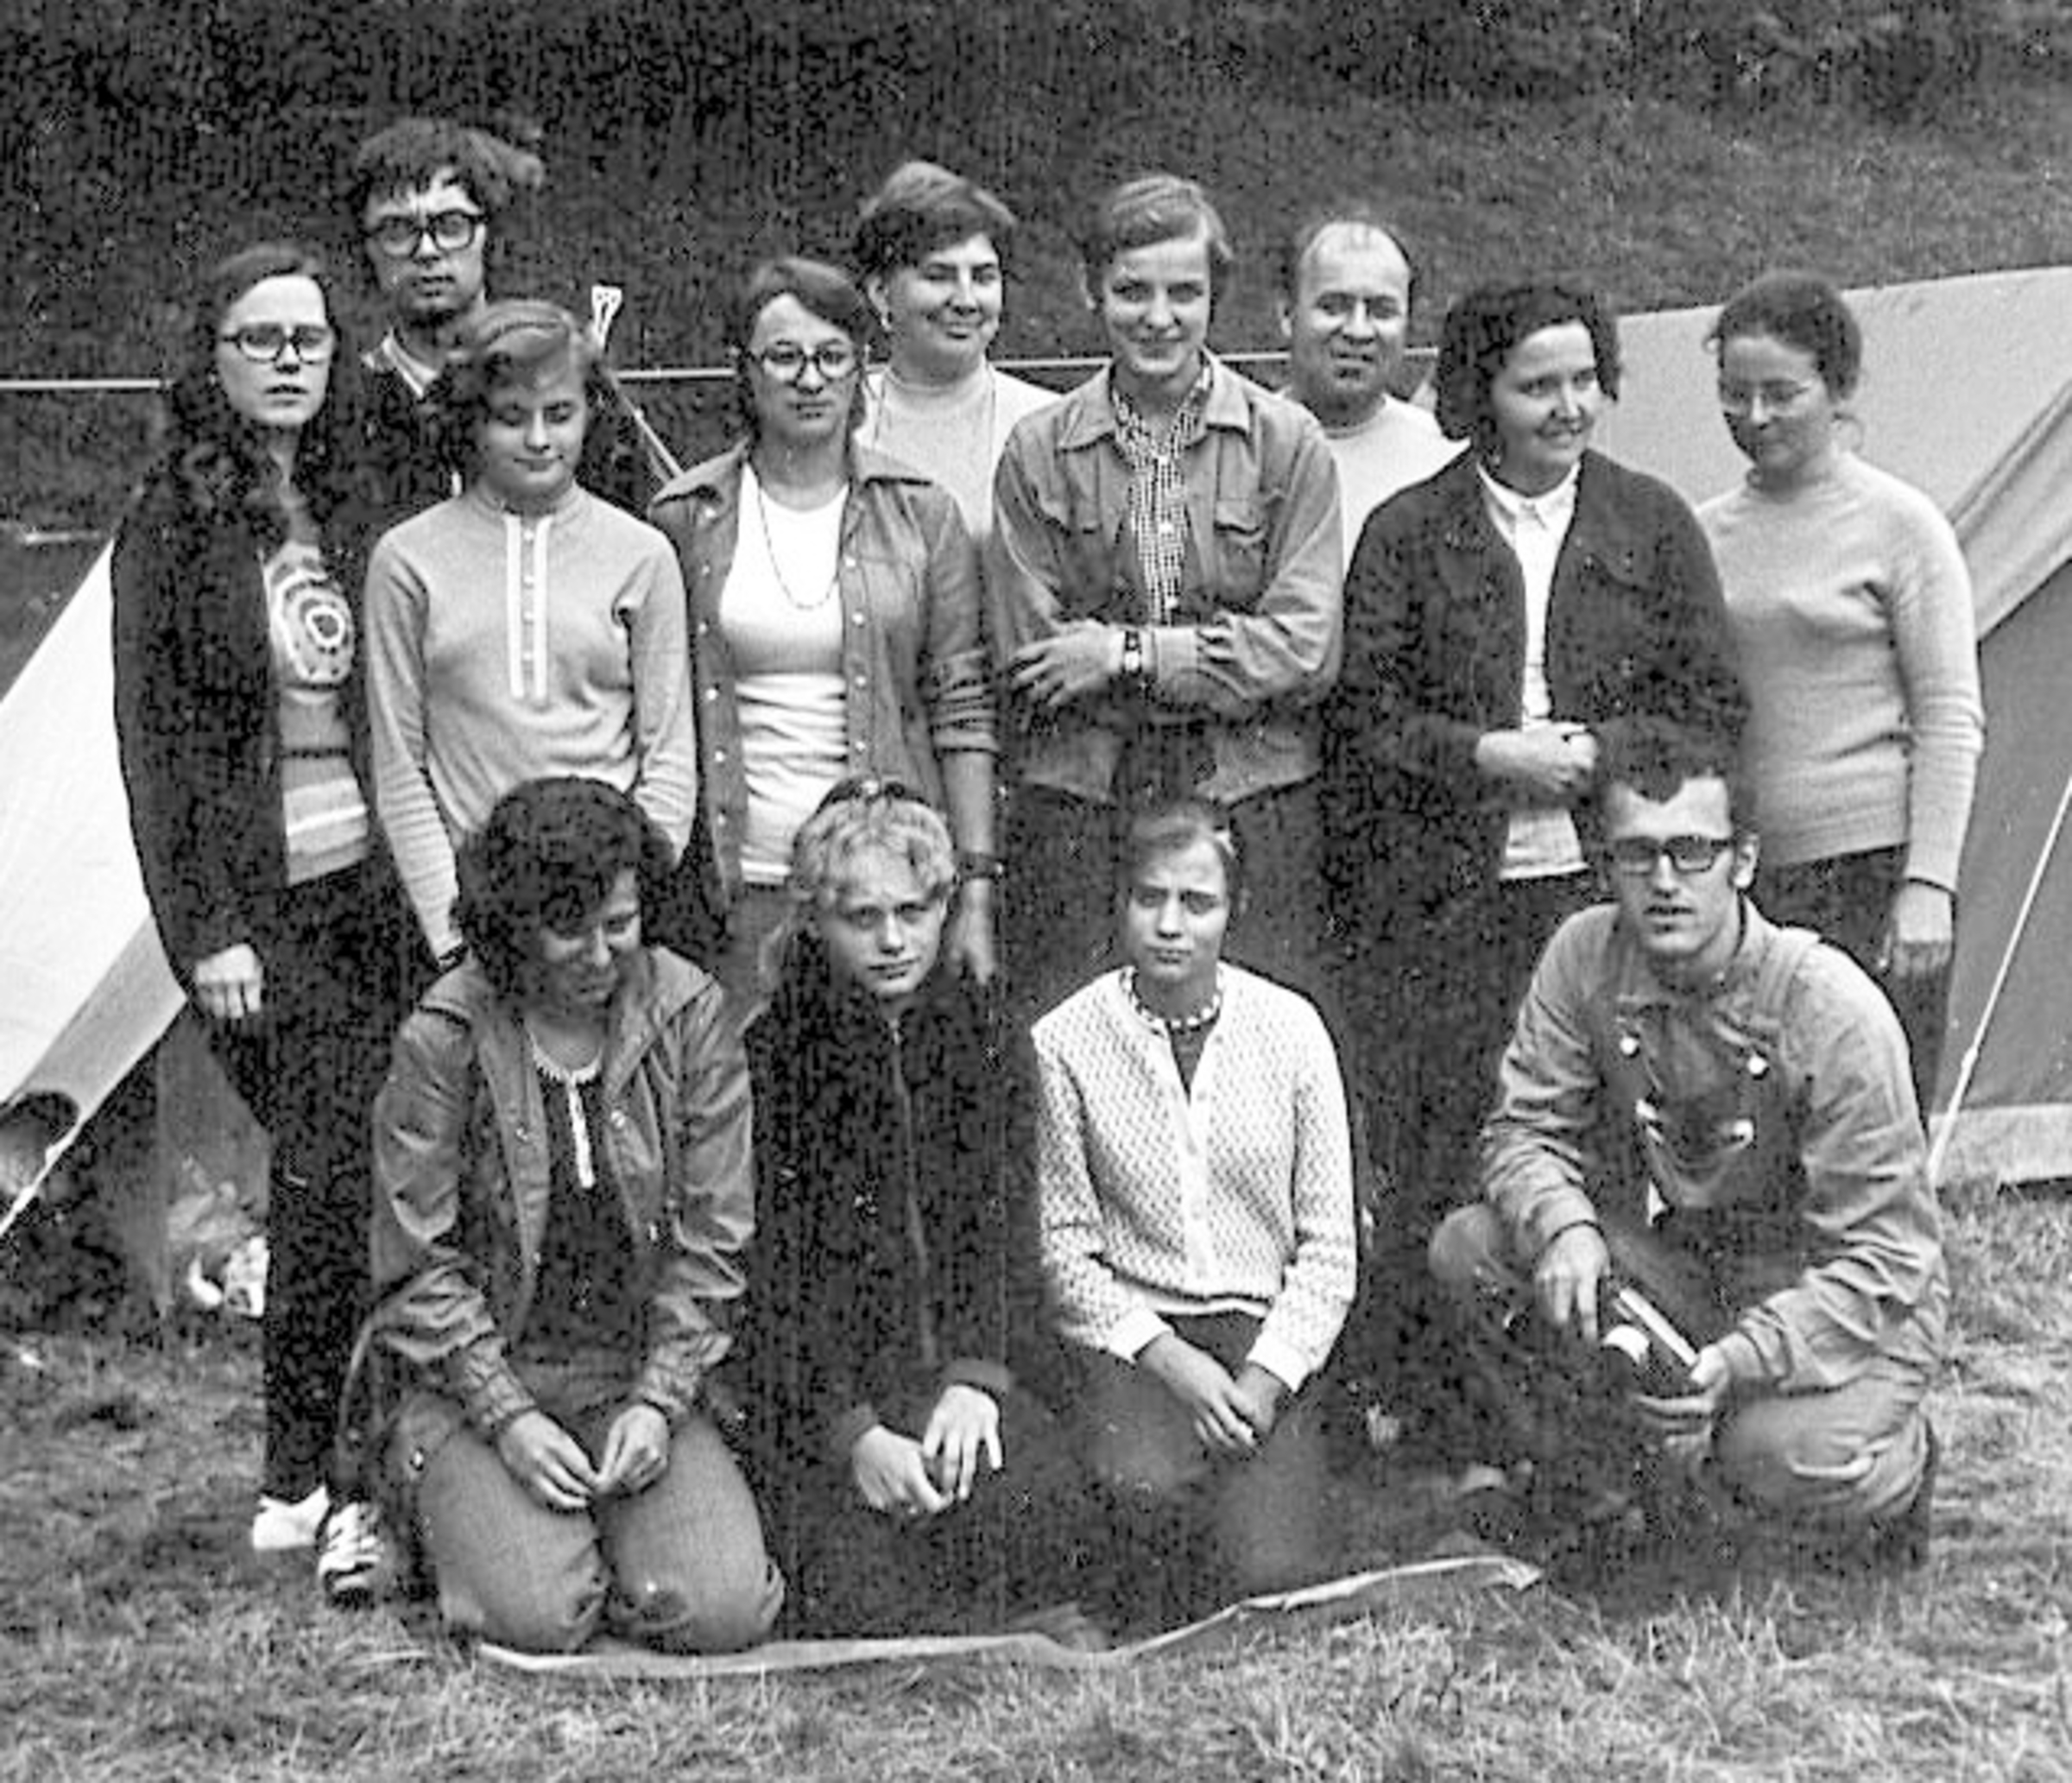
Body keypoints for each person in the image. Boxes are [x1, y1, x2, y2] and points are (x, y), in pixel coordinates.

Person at [1324, 280, 1745, 1448]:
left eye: (1584, 381)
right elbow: (1361, 718)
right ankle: (1453, 1425)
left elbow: (1712, 705)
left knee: (1599, 1142)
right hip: (1445, 901)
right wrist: (1484, 754)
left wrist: (1602, 753)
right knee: (1446, 1143)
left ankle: (1610, 1403)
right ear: (1481, 394)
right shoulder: (1411, 531)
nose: (1568, 407)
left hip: (1602, 892)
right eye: (1537, 385)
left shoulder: (1650, 523)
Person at [1428, 719, 1945, 1568]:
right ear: (1606, 865)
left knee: (1771, 1458)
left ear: (1744, 860)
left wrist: (1742, 1358)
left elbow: (1888, 1258)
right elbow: (1523, 1129)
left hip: (1842, 1303)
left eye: (1693, 852)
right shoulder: (1583, 955)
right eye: (1638, 855)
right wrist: (1564, 1227)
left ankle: (1899, 1466)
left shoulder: (1833, 1011)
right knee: (1473, 1248)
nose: (1665, 882)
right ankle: (1608, 1496)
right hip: (1700, 1267)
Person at [111, 242, 414, 1594]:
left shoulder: (357, 497)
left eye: (309, 339)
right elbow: (153, 747)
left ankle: (356, 1466)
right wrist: (207, 930)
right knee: (327, 1181)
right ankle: (306, 1475)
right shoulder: (170, 523)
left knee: (371, 1180)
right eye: (259, 339)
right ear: (214, 357)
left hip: (380, 890)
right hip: (260, 916)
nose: (288, 361)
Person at [366, 778, 784, 1654]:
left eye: (620, 923)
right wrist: (509, 1419)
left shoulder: (688, 1011)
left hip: (634, 1373)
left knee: (721, 1610)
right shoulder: (444, 1035)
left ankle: (590, 1536)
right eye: (569, 929)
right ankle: (438, 1499)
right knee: (541, 1618)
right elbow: (417, 1264)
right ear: (512, 925)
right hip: (483, 1380)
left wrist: (660, 1401)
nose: (601, 953)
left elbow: (716, 1242)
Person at [738, 779, 1091, 1636]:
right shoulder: (773, 1053)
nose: (894, 940)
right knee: (858, 1597)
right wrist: (852, 1431)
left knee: (1051, 1521)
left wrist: (976, 1379)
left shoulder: (987, 1033)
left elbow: (1006, 1232)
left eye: (913, 910)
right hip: (836, 1397)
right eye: (862, 918)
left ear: (945, 907)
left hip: (959, 1378)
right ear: (815, 921)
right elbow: (773, 1272)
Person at [991, 174, 1342, 1021]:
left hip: (1251, 793)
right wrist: (1219, 665)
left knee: (1258, 1031)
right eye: (1131, 292)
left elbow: (1302, 650)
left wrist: (1125, 653)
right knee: (1076, 1032)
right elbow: (1034, 658)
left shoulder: (1286, 445)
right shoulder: (1037, 451)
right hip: (1084, 799)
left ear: (1217, 297)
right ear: (1091, 291)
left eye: (1184, 293)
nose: (1158, 317)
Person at [1032, 798, 1356, 1628]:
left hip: (1260, 1333)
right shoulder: (1064, 1041)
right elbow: (1063, 1250)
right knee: (1143, 1493)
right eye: (1150, 898)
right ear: (1121, 902)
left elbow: (1329, 1248)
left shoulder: (1292, 1029)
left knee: (1272, 1568)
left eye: (1197, 902)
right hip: (1140, 1341)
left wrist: (1263, 1379)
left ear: (1233, 909)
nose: (1170, 925)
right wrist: (1173, 1362)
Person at [649, 257, 997, 1008]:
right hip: (738, 887)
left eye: (832, 356)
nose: (810, 379)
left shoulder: (921, 512)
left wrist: (973, 888)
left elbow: (961, 706)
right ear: (744, 369)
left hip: (884, 891)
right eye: (784, 357)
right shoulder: (685, 516)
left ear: (861, 367)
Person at [1699, 270, 1982, 1110]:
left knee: (1874, 1110)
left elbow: (1949, 716)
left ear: (1838, 388)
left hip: (1872, 869)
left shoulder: (1903, 525)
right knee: (1765, 1118)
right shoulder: (1701, 534)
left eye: (1782, 394)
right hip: (1747, 873)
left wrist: (1929, 883)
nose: (1756, 416)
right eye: (1735, 394)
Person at [364, 300, 698, 973]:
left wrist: (622, 908)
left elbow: (668, 753)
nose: (540, 439)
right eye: (512, 417)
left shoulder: (642, 553)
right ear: (472, 420)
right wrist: (452, 931)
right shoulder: (406, 560)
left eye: (560, 413)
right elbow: (400, 764)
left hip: (609, 926)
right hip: (478, 917)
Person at [347, 115, 656, 517]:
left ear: (489, 235)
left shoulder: (565, 389)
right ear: (367, 247)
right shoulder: (346, 408)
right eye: (397, 230)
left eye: (451, 225)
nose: (426, 251)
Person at [853, 160, 1057, 542]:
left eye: (983, 277)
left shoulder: (1051, 426)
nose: (966, 301)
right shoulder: (839, 423)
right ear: (881, 293)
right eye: (938, 276)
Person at [1276, 200, 1460, 563]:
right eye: (1334, 307)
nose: (1358, 330)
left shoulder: (1447, 462)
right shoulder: (1240, 451)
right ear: (1286, 315)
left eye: (1381, 311)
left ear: (1409, 323)